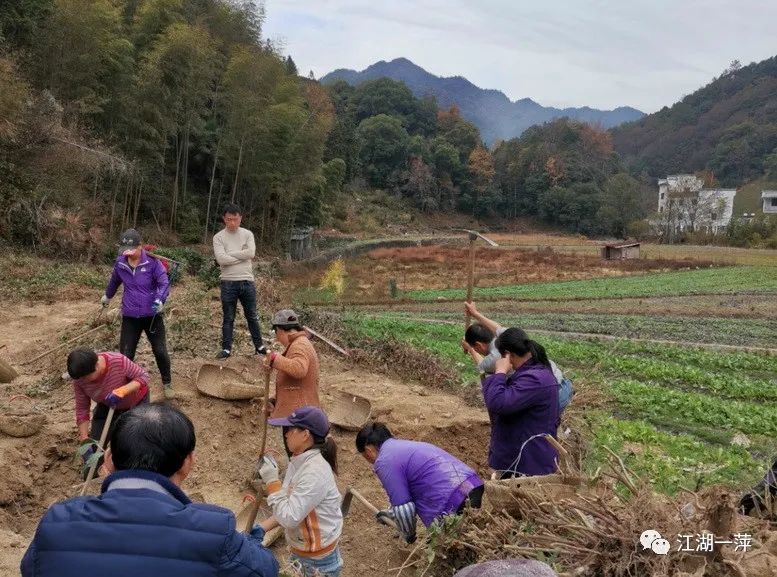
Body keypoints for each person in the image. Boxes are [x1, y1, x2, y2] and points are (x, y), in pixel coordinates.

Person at [21, 402, 279, 577]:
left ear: (108, 458)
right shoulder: (213, 530)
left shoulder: (56, 523)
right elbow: (267, 569)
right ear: (188, 463)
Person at [355, 422, 484, 544]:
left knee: (447, 551)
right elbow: (414, 488)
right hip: (472, 486)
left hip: (453, 502)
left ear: (368, 451)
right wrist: (391, 514)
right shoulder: (402, 447)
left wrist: (408, 534)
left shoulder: (384, 461)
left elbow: (404, 508)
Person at [256, 406, 343, 577]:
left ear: (305, 434)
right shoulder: (298, 461)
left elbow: (289, 517)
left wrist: (272, 482)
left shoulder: (314, 472)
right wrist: (260, 528)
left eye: (290, 429)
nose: (286, 434)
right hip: (302, 554)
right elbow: (289, 504)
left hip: (317, 563)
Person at [102, 228, 174, 399]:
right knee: (126, 354)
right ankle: (125, 387)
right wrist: (107, 295)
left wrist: (160, 300)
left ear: (140, 246)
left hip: (152, 315)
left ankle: (167, 382)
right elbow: (114, 281)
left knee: (160, 350)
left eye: (131, 250)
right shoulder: (120, 263)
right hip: (130, 315)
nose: (128, 253)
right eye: (125, 250)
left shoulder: (152, 263)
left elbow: (163, 283)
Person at [462, 302, 573, 411]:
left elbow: (482, 366)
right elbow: (497, 328)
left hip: (555, 394)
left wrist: (471, 349)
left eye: (477, 349)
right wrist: (475, 313)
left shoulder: (496, 358)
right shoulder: (510, 337)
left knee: (527, 422)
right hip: (562, 382)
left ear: (479, 345)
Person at [482, 328, 559, 478]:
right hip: (521, 462)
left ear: (508, 354)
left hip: (528, 466)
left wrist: (500, 373)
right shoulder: (531, 374)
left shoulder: (535, 379)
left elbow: (498, 403)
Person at [67, 348, 150, 477]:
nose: (82, 381)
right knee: (96, 447)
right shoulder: (79, 381)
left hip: (136, 403)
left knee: (134, 441)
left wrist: (123, 390)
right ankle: (93, 479)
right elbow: (82, 408)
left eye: (85, 377)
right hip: (107, 405)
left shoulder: (117, 361)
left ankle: (137, 474)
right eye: (80, 378)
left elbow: (143, 377)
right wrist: (84, 438)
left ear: (96, 366)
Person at [213, 203, 266, 359]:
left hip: (247, 281)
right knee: (228, 317)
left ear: (240, 218)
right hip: (228, 282)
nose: (232, 223)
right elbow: (221, 259)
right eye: (229, 219)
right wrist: (242, 256)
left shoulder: (248, 234)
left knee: (252, 315)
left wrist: (231, 255)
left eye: (235, 219)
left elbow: (251, 253)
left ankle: (260, 346)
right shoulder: (218, 237)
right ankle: (227, 349)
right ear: (224, 219)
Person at [263, 309, 320, 419]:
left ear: (279, 330)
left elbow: (299, 369)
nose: (277, 338)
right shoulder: (299, 343)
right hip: (299, 414)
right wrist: (275, 402)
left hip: (300, 417)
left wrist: (275, 358)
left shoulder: (299, 345)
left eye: (276, 333)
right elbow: (294, 385)